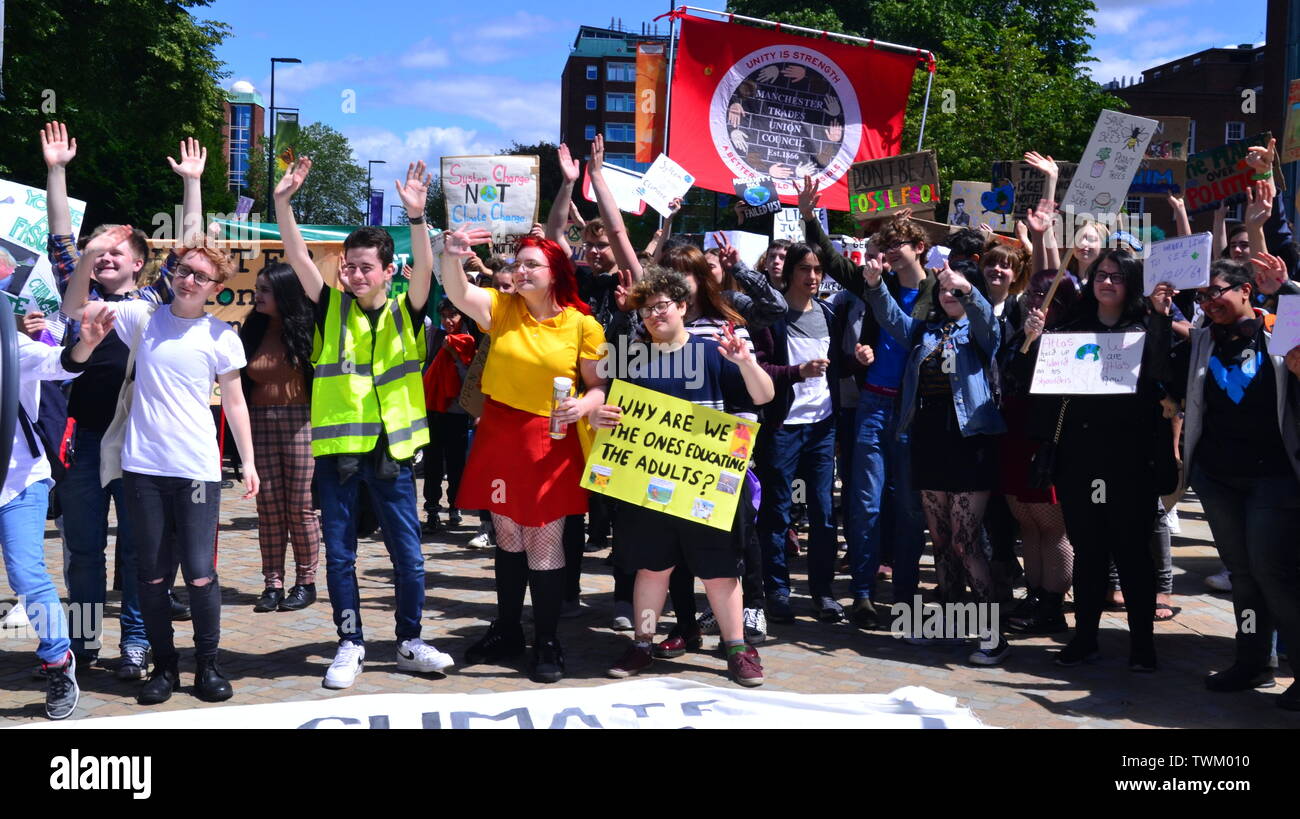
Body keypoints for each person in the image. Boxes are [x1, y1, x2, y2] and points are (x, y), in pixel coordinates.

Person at [275, 157, 454, 689]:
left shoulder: (408, 310)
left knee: (408, 554)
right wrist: (284, 204)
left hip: (393, 453)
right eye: (347, 265)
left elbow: (425, 272)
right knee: (341, 555)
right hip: (337, 457)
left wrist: (418, 218)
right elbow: (297, 256)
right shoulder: (329, 307)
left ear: (385, 268)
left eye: (364, 266)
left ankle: (409, 640)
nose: (353, 274)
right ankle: (350, 642)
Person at [65, 221, 259, 704]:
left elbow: (235, 404)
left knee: (198, 572)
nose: (189, 279)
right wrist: (90, 253)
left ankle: (207, 665)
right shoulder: (141, 318)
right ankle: (164, 665)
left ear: (216, 288)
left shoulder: (220, 337)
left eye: (200, 275)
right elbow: (72, 308)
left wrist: (249, 463)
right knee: (150, 574)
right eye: (183, 269)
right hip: (143, 467)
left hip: (196, 469)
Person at [44, 122, 184, 678]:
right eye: (97, 250)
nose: (102, 257)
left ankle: (135, 642)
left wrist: (191, 184)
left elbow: (192, 247)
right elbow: (60, 236)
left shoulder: (153, 300)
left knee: (136, 552)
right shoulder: (78, 293)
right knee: (81, 550)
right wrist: (57, 170)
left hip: (134, 440)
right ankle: (82, 642)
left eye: (114, 251)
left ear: (138, 262)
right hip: (81, 440)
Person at [595, 268, 774, 685]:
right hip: (649, 485)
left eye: (662, 306)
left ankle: (736, 648)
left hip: (707, 485)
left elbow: (764, 395)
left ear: (681, 307)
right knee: (651, 569)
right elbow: (612, 412)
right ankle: (642, 643)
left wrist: (746, 362)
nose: (654, 315)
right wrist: (602, 416)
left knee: (719, 571)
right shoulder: (631, 359)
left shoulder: (714, 352)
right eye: (646, 308)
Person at [444, 230, 607, 685]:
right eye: (519, 263)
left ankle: (547, 640)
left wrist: (585, 406)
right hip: (500, 431)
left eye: (532, 264)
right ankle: (509, 630)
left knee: (544, 542)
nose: (521, 270)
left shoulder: (584, 324)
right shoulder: (502, 307)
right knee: (508, 537)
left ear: (556, 272)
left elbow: (598, 386)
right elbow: (457, 291)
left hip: (550, 438)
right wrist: (452, 255)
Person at [1025, 249, 1177, 672]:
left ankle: (1142, 644)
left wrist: (1162, 317)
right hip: (1081, 460)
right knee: (1089, 551)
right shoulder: (1071, 330)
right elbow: (1034, 387)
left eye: (1116, 276)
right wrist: (1034, 343)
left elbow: (1163, 378)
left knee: (1132, 554)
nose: (1106, 282)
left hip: (1130, 461)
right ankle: (1085, 637)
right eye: (1100, 275)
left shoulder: (1146, 327)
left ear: (1131, 284)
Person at [797, 175, 932, 629]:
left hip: (914, 411)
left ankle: (907, 594)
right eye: (885, 246)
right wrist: (810, 215)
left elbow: (914, 335)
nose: (890, 252)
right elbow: (834, 263)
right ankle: (862, 593)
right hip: (873, 404)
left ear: (921, 248)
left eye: (899, 245)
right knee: (865, 501)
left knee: (909, 506)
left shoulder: (940, 292)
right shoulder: (877, 281)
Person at [1165, 259, 1300, 709]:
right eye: (1201, 297)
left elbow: (1299, 331)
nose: (1207, 303)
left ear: (1245, 290)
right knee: (1242, 577)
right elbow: (1161, 368)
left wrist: (1287, 287)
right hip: (1219, 478)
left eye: (1216, 292)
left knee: (1273, 574)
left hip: (1274, 478)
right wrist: (1157, 310)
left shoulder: (1277, 330)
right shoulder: (1203, 340)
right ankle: (1251, 661)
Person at [863, 256, 1009, 663]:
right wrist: (875, 284)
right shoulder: (925, 331)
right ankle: (950, 622)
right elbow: (892, 319)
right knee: (942, 540)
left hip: (969, 439)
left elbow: (985, 317)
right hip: (929, 437)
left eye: (957, 289)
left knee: (966, 541)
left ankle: (992, 634)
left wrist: (966, 287)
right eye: (943, 288)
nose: (949, 294)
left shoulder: (981, 329)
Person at [3, 303, 118, 719]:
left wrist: (84, 345)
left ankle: (58, 660)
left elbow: (59, 364)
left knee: (26, 573)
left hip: (18, 481)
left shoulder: (12, 345)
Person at [753, 243, 843, 623]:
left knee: (823, 513)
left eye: (818, 270)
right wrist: (797, 372)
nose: (813, 277)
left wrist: (857, 362)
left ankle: (822, 592)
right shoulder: (772, 318)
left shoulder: (829, 314)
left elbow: (834, 368)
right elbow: (760, 370)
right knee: (777, 513)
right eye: (805, 269)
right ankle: (777, 590)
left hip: (822, 429)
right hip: (782, 428)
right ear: (789, 272)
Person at [1000, 269, 1081, 634]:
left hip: (1048, 439)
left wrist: (1040, 339)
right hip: (1015, 433)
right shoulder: (1024, 330)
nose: (1033, 300)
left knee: (1052, 528)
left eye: (1042, 295)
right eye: (1031, 293)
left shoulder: (1071, 338)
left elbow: (1050, 384)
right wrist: (1029, 337)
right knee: (1028, 525)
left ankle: (1052, 605)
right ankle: (1033, 596)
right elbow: (1010, 371)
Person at [239, 262, 321, 613]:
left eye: (266, 290)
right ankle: (272, 583)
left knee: (301, 508)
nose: (258, 295)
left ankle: (306, 582)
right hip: (258, 424)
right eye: (257, 288)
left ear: (285, 293)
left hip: (302, 422)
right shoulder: (252, 327)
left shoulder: (307, 326)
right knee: (268, 508)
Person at [421, 299, 477, 533]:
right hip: (433, 409)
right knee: (432, 463)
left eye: (453, 316)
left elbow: (469, 379)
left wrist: (454, 352)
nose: (448, 321)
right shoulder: (435, 337)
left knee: (456, 464)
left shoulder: (469, 342)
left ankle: (455, 506)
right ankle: (432, 508)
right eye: (444, 316)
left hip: (456, 412)